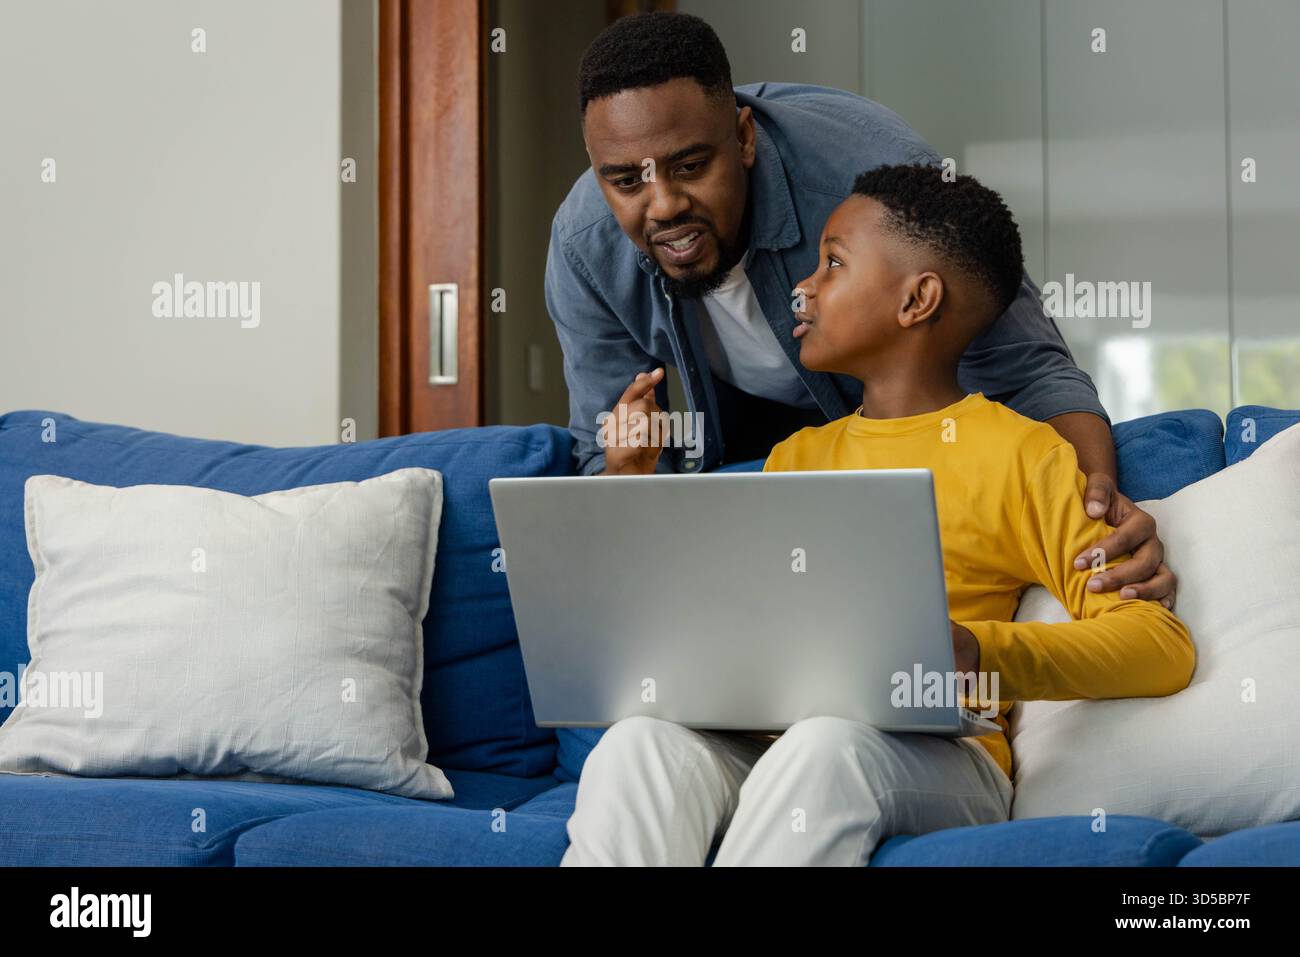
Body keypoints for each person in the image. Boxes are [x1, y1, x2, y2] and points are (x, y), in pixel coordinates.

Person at [559, 164, 1196, 866]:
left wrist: (977, 652)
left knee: (827, 743)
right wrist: (630, 485)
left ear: (917, 299)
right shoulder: (794, 458)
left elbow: (1159, 646)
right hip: (772, 744)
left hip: (941, 758)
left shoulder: (1020, 453)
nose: (802, 286)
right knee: (637, 744)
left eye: (833, 263)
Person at [545, 10, 1177, 607]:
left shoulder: (874, 186)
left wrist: (1093, 513)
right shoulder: (584, 246)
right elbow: (605, 456)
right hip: (753, 447)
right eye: (625, 181)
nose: (662, 206)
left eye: (690, 166)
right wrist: (624, 476)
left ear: (743, 137)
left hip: (893, 425)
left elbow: (1031, 370)